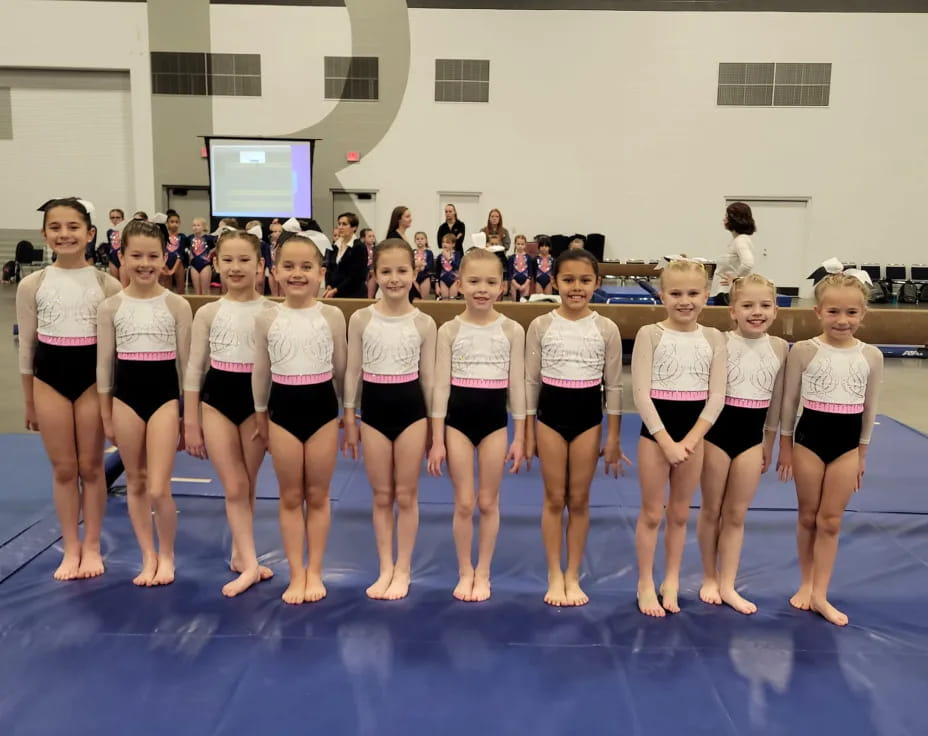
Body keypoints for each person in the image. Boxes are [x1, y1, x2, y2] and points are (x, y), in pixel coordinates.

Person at [16, 197, 122, 580]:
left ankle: (92, 545)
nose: (65, 234)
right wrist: (28, 399)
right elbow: (27, 347)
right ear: (45, 234)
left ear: (90, 233)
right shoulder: (34, 284)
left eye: (73, 227)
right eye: (56, 228)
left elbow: (112, 350)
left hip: (92, 380)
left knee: (92, 467)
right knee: (64, 469)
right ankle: (70, 546)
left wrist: (110, 400)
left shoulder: (106, 284)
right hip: (49, 379)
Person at [776, 272, 883, 627]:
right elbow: (789, 403)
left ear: (863, 314)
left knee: (831, 521)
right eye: (834, 311)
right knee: (808, 516)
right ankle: (806, 583)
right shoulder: (805, 350)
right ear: (818, 312)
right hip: (809, 441)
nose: (842, 320)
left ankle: (821, 592)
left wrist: (862, 454)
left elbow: (870, 407)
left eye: (852, 313)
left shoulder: (871, 355)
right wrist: (785, 447)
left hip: (847, 446)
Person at [524, 249, 629, 607]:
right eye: (568, 280)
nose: (576, 287)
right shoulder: (541, 325)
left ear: (597, 283)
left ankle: (573, 573)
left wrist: (614, 436)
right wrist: (525, 433)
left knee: (580, 499)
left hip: (589, 418)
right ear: (555, 282)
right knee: (555, 498)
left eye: (585, 280)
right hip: (550, 416)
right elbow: (530, 382)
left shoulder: (606, 328)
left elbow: (614, 386)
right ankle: (555, 573)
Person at [96, 219, 193, 586]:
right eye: (136, 255)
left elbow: (187, 369)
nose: (144, 263)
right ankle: (147, 555)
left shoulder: (177, 305)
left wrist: (188, 416)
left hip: (165, 399)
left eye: (153, 255)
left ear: (165, 257)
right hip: (126, 399)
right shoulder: (111, 307)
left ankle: (166, 554)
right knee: (135, 481)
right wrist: (106, 414)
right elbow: (104, 366)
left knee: (158, 486)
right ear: (121, 257)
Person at [252, 234, 347, 605]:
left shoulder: (332, 315)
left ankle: (315, 570)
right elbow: (260, 371)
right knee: (290, 496)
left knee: (318, 495)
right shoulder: (267, 317)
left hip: (322, 410)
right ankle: (296, 572)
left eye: (306, 267)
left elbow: (341, 369)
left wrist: (348, 414)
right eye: (288, 266)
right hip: (282, 410)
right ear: (275, 272)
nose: (297, 273)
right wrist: (261, 414)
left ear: (321, 273)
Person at [427, 248, 526, 601]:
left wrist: (520, 437)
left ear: (502, 286)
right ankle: (464, 570)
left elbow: (517, 387)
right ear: (459, 283)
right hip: (457, 425)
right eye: (473, 281)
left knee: (488, 502)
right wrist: (436, 440)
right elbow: (440, 387)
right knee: (464, 503)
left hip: (494, 426)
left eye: (490, 282)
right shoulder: (450, 329)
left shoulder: (512, 330)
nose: (482, 289)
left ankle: (483, 571)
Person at [183, 229, 277, 598]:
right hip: (218, 399)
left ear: (260, 265)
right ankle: (251, 565)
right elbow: (194, 369)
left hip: (256, 403)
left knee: (248, 483)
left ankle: (242, 554)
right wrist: (190, 421)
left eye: (244, 260)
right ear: (216, 263)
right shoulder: (208, 312)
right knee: (235, 484)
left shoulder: (273, 311)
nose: (236, 267)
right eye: (228, 260)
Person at [342, 239, 437, 601]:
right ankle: (385, 566)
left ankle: (404, 568)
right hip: (374, 412)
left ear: (414, 273)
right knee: (382, 495)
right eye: (386, 271)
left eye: (402, 271)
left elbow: (428, 379)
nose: (394, 279)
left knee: (406, 494)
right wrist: (349, 416)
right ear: (375, 274)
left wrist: (433, 427)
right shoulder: (362, 318)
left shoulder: (425, 322)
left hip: (412, 412)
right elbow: (352, 373)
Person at [632, 260, 727, 617]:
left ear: (706, 295)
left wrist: (690, 440)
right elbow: (641, 394)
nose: (684, 301)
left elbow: (717, 395)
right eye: (675, 293)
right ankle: (644, 582)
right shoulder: (650, 334)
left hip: (694, 434)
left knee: (681, 514)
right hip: (656, 434)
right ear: (662, 295)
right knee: (652, 513)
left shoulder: (713, 338)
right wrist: (667, 442)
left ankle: (670, 579)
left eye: (692, 293)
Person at [697, 274, 788, 614]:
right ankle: (708, 575)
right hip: (716, 435)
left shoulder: (779, 347)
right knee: (711, 509)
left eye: (765, 305)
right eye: (747, 305)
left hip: (752, 438)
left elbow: (777, 402)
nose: (756, 312)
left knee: (736, 514)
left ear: (776, 310)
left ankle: (727, 584)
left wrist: (770, 441)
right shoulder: (718, 341)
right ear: (732, 310)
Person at [710, 202, 756, 306]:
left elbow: (748, 263)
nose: (724, 219)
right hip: (725, 292)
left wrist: (735, 278)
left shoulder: (741, 241)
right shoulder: (737, 240)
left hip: (728, 293)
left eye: (726, 216)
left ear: (734, 219)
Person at [324, 212, 371, 299]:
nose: (340, 227)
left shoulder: (359, 247)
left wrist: (336, 289)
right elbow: (330, 269)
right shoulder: (335, 246)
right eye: (339, 224)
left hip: (354, 295)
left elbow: (357, 276)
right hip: (335, 294)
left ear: (354, 228)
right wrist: (329, 285)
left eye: (344, 224)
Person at [162, 209, 188, 293]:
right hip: (165, 263)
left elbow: (181, 254)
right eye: (172, 222)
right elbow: (161, 252)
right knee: (167, 290)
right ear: (167, 223)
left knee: (180, 289)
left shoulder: (182, 237)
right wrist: (165, 266)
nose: (175, 224)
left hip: (178, 264)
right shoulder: (163, 237)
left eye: (177, 222)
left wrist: (173, 269)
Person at [187, 217, 214, 295]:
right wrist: (190, 253)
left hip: (205, 265)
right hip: (194, 266)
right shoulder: (190, 238)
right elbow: (185, 247)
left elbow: (220, 244)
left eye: (198, 225)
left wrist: (211, 252)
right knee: (197, 292)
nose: (195, 227)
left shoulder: (209, 238)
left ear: (204, 227)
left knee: (205, 291)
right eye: (193, 225)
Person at [435, 232, 461, 300]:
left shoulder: (457, 254)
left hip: (454, 280)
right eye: (443, 242)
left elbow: (457, 267)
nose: (444, 244)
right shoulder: (440, 256)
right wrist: (437, 285)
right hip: (443, 280)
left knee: (453, 301)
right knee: (444, 301)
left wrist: (449, 259)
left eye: (447, 242)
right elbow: (437, 272)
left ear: (453, 244)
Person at [508, 234, 533, 301]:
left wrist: (525, 285)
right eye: (518, 244)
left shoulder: (529, 258)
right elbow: (510, 273)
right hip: (514, 283)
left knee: (524, 303)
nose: (520, 246)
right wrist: (515, 284)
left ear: (525, 245)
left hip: (525, 283)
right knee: (515, 304)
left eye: (522, 244)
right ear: (515, 244)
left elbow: (530, 274)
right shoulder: (511, 258)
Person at [105, 209, 127, 286]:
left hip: (123, 258)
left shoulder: (126, 231)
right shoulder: (109, 231)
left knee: (123, 284)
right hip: (113, 258)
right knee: (114, 283)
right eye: (113, 218)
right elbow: (110, 244)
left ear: (122, 219)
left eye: (118, 218)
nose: (115, 220)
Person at [412, 231, 434, 300]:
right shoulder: (412, 252)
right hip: (414, 277)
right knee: (416, 299)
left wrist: (421, 266)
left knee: (424, 300)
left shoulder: (429, 253)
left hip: (425, 277)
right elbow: (410, 264)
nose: (420, 241)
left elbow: (430, 265)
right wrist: (420, 264)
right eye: (417, 239)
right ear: (415, 241)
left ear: (426, 240)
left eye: (422, 239)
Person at [360, 227, 378, 298]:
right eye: (369, 236)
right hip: (363, 273)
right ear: (363, 238)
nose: (372, 238)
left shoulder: (376, 249)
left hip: (372, 272)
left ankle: (369, 298)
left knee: (373, 275)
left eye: (373, 236)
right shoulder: (360, 249)